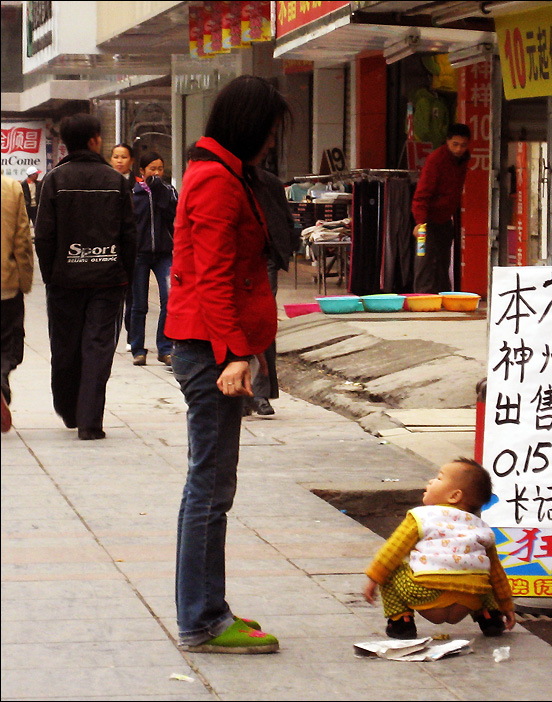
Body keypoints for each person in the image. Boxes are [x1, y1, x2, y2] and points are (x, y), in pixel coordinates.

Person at [164, 75, 292, 653]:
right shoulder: (216, 180)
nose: (270, 142)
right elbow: (212, 277)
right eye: (268, 130)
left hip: (211, 345)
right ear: (249, 126)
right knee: (209, 488)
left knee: (213, 486)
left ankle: (209, 609)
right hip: (210, 348)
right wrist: (235, 353)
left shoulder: (221, 172)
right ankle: (202, 620)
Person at [34, 114, 137, 440]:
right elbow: (129, 235)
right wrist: (124, 273)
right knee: (98, 347)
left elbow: (44, 235)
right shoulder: (117, 181)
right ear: (94, 139)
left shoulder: (54, 180)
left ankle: (68, 409)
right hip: (107, 280)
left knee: (64, 345)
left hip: (65, 279)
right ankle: (90, 421)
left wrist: (52, 274)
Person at [363, 457, 515, 639]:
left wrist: (374, 578)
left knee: (391, 568)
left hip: (426, 595)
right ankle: (490, 617)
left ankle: (401, 623)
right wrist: (506, 605)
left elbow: (393, 551)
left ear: (454, 496)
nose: (431, 481)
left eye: (439, 478)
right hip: (470, 600)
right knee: (483, 571)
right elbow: (497, 572)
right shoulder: (481, 527)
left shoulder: (421, 516)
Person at [246, 167, 300, 416]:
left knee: (261, 319)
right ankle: (239, 391)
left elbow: (284, 218)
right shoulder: (220, 178)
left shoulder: (267, 181)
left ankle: (260, 393)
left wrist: (283, 249)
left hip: (263, 257)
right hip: (229, 258)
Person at [130, 151, 178, 367]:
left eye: (160, 169)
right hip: (139, 254)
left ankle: (165, 348)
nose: (156, 173)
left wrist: (159, 192)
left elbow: (173, 214)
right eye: (152, 169)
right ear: (142, 171)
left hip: (164, 253)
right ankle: (138, 349)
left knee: (169, 299)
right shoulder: (132, 193)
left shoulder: (168, 191)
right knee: (139, 304)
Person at [411, 123, 471, 294]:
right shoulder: (436, 160)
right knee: (423, 262)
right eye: (455, 144)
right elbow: (421, 194)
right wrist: (419, 223)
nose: (459, 149)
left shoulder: (463, 159)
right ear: (447, 142)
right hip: (425, 221)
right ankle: (422, 298)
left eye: (463, 145)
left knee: (443, 263)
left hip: (445, 220)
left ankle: (443, 297)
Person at [1, 174, 34, 433]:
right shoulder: (11, 188)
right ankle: (1, 377)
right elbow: (22, 240)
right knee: (9, 342)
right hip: (5, 284)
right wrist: (24, 280)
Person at [110, 143, 136, 351]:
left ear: (132, 160)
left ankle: (132, 335)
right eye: (116, 156)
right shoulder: (106, 182)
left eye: (124, 157)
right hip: (112, 246)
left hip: (135, 245)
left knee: (134, 297)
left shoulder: (139, 185)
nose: (119, 160)